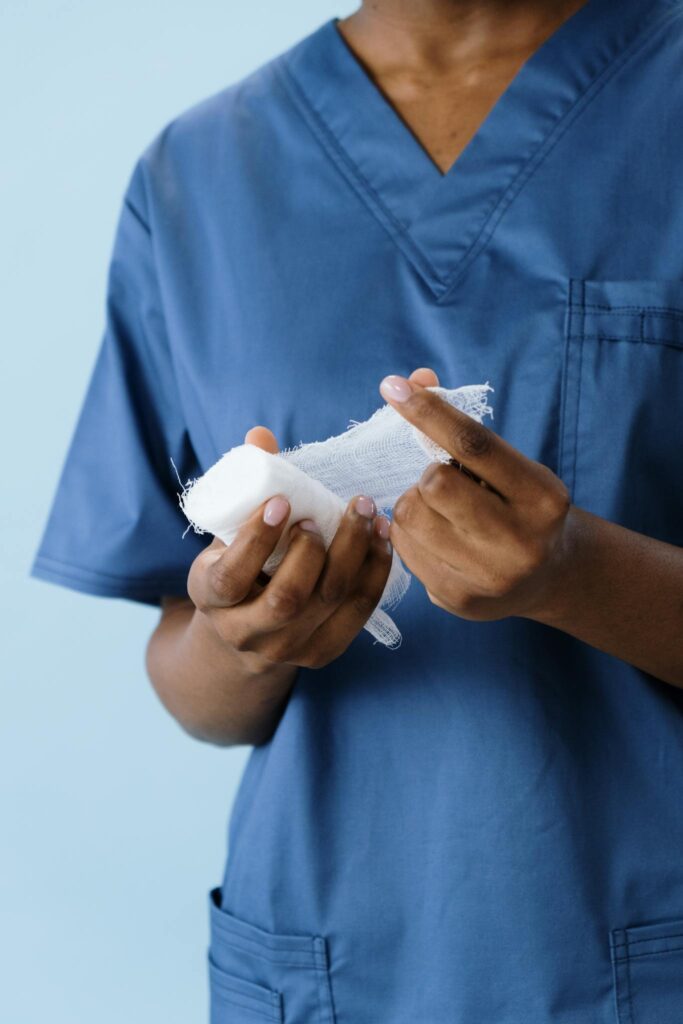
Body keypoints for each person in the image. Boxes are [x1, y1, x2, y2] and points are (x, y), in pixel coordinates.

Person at [30, 0, 683, 1020]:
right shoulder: (198, 177)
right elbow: (187, 677)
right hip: (324, 964)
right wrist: (244, 639)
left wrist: (576, 572)